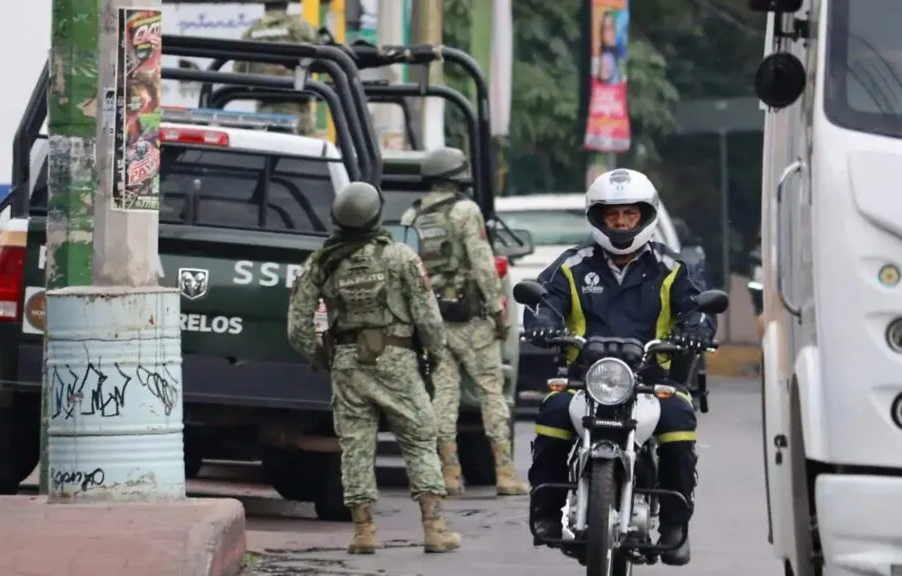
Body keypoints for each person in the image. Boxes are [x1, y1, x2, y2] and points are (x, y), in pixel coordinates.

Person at [524, 168, 715, 566]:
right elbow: (545, 302)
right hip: (584, 381)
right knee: (553, 416)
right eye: (613, 216)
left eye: (630, 215)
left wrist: (696, 329)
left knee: (679, 423)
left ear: (645, 216)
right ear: (598, 219)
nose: (622, 223)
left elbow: (697, 308)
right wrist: (542, 324)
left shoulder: (672, 267)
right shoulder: (572, 265)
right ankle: (545, 511)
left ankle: (676, 527)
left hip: (652, 381)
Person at [286, 181, 462, 555]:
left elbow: (297, 328)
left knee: (355, 447)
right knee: (418, 439)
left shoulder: (321, 261)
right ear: (376, 216)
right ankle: (434, 529)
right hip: (397, 360)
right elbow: (428, 318)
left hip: (348, 364)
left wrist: (322, 356)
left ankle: (363, 532)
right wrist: (435, 355)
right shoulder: (400, 257)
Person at [400, 148, 528, 498]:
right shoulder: (466, 211)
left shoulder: (411, 216)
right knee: (491, 391)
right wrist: (498, 308)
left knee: (444, 396)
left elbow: (408, 271)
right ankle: (504, 472)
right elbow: (484, 264)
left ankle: (450, 474)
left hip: (435, 322)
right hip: (471, 321)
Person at [235, 1, 318, 136]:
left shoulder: (251, 32)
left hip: (264, 108)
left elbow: (239, 70)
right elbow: (320, 57)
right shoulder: (299, 27)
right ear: (286, 4)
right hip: (296, 107)